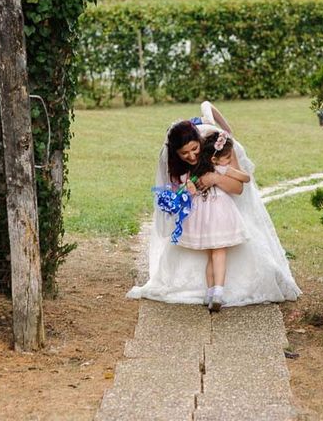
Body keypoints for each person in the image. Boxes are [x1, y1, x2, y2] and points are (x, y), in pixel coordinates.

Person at [127, 101, 301, 307]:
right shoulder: (175, 165)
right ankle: (207, 290)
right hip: (198, 218)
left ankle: (219, 290)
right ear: (176, 154)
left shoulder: (216, 145)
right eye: (185, 154)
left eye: (194, 149)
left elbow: (238, 188)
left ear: (200, 141)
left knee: (221, 251)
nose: (191, 156)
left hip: (222, 212)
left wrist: (214, 178)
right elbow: (178, 195)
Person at [178, 130, 251, 312]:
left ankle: (209, 294)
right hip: (220, 213)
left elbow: (189, 188)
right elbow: (246, 177)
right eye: (226, 157)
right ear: (215, 158)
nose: (229, 159)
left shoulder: (201, 170)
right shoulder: (222, 168)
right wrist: (230, 172)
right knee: (219, 253)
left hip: (204, 215)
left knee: (211, 255)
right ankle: (218, 292)